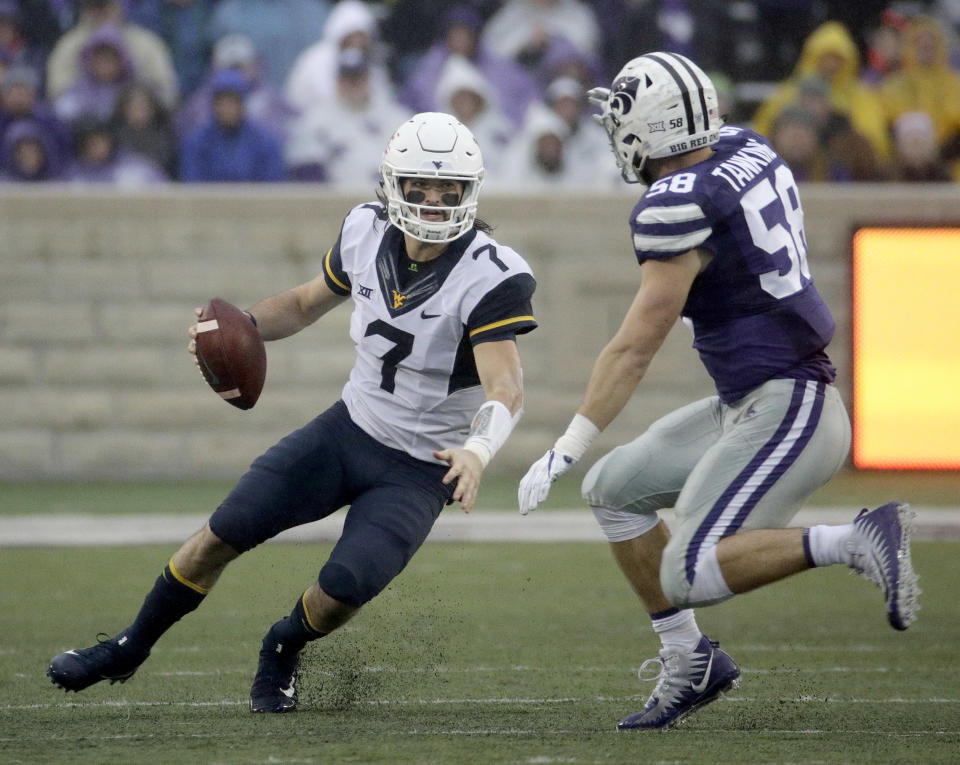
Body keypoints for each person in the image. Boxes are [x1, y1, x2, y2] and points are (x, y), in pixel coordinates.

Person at [47, 111, 538, 714]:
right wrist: (243, 329)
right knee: (219, 535)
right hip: (349, 429)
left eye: (448, 191)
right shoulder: (364, 229)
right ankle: (129, 646)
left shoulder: (491, 274)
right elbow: (305, 303)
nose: (433, 203)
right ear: (394, 185)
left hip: (421, 465)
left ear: (470, 192)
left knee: (343, 592)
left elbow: (506, 385)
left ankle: (282, 645)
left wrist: (478, 450)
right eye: (420, 188)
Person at [517, 52, 920, 731]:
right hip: (750, 402)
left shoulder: (678, 204)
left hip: (790, 405)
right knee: (613, 490)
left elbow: (636, 343)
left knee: (689, 569)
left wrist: (571, 440)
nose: (618, 136)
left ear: (656, 126)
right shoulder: (745, 147)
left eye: (625, 121)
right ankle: (691, 660)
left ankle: (853, 538)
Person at [179, 68, 285, 182]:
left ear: (242, 103)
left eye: (233, 101)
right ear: (213, 104)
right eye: (221, 102)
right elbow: (191, 184)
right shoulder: (196, 142)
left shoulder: (265, 142)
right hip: (210, 200)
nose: (227, 108)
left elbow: (274, 186)